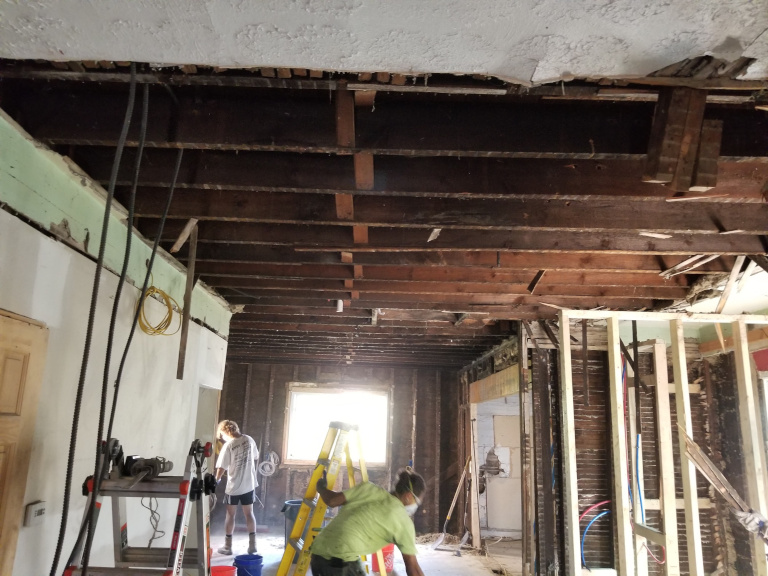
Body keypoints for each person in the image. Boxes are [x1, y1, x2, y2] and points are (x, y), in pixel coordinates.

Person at [309, 468, 427, 576]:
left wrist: (320, 487)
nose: (416, 506)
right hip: (339, 562)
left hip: (317, 554)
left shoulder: (369, 489)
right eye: (417, 501)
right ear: (408, 496)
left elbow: (332, 500)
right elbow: (413, 569)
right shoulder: (403, 521)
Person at [215, 419, 259, 555]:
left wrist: (215, 480)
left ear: (225, 432)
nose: (222, 438)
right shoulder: (249, 439)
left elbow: (221, 466)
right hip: (249, 485)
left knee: (230, 514)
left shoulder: (229, 445)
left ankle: (228, 547)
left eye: (222, 435)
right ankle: (253, 546)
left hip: (233, 487)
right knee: (249, 514)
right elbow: (256, 456)